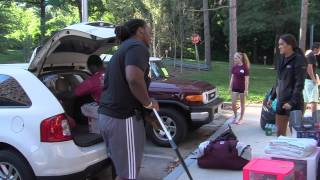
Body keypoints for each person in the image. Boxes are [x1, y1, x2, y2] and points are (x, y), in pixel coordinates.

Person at [98, 19, 159, 180]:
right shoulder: (137, 47)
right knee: (128, 176)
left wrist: (147, 113)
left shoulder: (122, 49)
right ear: (140, 31)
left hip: (108, 116)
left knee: (123, 172)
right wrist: (148, 103)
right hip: (123, 119)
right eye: (149, 30)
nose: (150, 34)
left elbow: (125, 88)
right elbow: (133, 79)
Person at [268, 34, 307, 136]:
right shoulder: (281, 59)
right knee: (279, 135)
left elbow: (300, 84)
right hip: (281, 101)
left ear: (289, 45)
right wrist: (272, 97)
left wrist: (292, 102)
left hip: (294, 103)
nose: (279, 46)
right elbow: (278, 80)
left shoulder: (299, 59)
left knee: (296, 135)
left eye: (282, 44)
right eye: (279, 44)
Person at [229, 52, 250, 125]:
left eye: (235, 58)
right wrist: (230, 87)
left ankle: (241, 118)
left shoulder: (245, 68)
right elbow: (232, 77)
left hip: (242, 88)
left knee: (242, 104)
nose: (234, 59)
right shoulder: (234, 67)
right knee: (233, 103)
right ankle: (235, 116)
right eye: (234, 58)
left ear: (239, 58)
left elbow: (247, 80)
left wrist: (246, 90)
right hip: (235, 87)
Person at [303, 42, 320, 113]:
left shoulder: (309, 55)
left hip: (305, 80)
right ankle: (315, 120)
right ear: (315, 49)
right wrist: (314, 79)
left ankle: (300, 118)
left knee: (305, 100)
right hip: (310, 81)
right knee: (314, 100)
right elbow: (309, 68)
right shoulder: (311, 55)